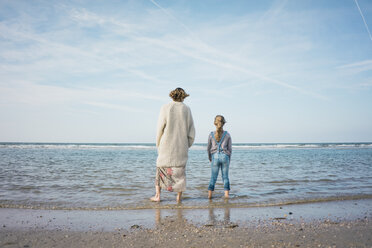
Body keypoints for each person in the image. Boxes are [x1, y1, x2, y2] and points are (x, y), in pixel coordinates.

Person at [150, 88, 195, 203]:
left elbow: (160, 128)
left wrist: (158, 144)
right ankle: (179, 197)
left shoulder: (165, 107)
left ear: (172, 96)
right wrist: (187, 144)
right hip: (181, 145)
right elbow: (191, 130)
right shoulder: (187, 109)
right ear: (183, 96)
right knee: (180, 171)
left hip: (166, 144)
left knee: (160, 169)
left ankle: (158, 196)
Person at [207, 115, 232, 199]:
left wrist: (210, 158)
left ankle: (209, 196)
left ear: (215, 123)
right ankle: (226, 196)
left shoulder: (211, 135)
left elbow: (208, 148)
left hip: (215, 157)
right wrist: (229, 159)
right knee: (225, 177)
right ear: (223, 123)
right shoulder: (227, 134)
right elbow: (230, 149)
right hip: (225, 157)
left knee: (213, 177)